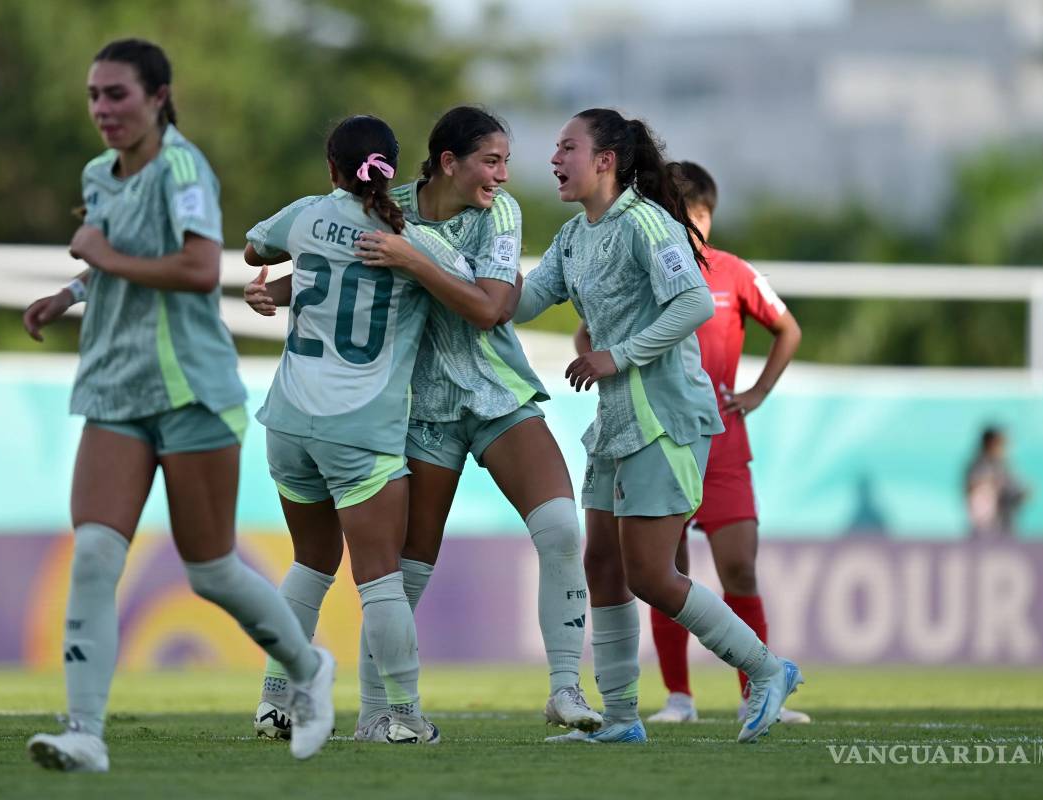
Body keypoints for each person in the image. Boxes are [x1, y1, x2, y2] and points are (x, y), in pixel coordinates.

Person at [20, 39, 334, 772]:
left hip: (192, 389)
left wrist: (96, 257)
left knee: (209, 568)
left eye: (117, 95)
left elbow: (197, 269)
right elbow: (115, 258)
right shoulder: (99, 175)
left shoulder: (185, 168)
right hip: (115, 389)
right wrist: (68, 292)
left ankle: (308, 669)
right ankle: (86, 735)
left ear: (158, 97)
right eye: (95, 95)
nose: (103, 109)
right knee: (96, 553)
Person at [255, 106, 596, 738]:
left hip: (496, 393)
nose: (502, 176)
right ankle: (378, 714)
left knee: (558, 528)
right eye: (490, 162)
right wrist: (279, 291)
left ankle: (566, 689)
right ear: (448, 162)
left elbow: (492, 311)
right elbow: (339, 269)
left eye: (505, 163)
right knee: (397, 578)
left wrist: (412, 263)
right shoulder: (388, 204)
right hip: (421, 410)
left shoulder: (500, 214)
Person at [513, 109, 803, 745]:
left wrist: (617, 354)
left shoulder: (646, 222)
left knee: (648, 573)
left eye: (568, 146)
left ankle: (766, 669)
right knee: (603, 566)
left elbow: (695, 302)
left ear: (606, 160)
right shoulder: (574, 236)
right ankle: (621, 719)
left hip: (665, 420)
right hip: (616, 421)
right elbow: (522, 301)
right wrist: (447, 266)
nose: (554, 158)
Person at [242, 114, 482, 744]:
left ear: (331, 168)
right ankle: (400, 716)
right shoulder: (411, 239)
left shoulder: (303, 215)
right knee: (380, 578)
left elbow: (254, 252)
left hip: (289, 421)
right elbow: (483, 299)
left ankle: (276, 703)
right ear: (396, 171)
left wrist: (277, 286)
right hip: (361, 428)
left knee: (310, 565)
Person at [583, 161, 807, 725]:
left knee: (739, 569)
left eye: (695, 216)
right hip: (659, 434)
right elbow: (590, 325)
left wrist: (755, 392)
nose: (686, 225)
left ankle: (754, 693)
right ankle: (679, 698)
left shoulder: (733, 274)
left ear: (708, 216)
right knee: (661, 571)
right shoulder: (641, 265)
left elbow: (788, 328)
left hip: (724, 443)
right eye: (676, 214)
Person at [966, 425, 1028, 538]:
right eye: (1000, 443)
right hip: (986, 530)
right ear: (990, 443)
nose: (1004, 448)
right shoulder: (979, 468)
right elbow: (978, 498)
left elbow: (1021, 493)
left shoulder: (1004, 466)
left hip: (1006, 527)